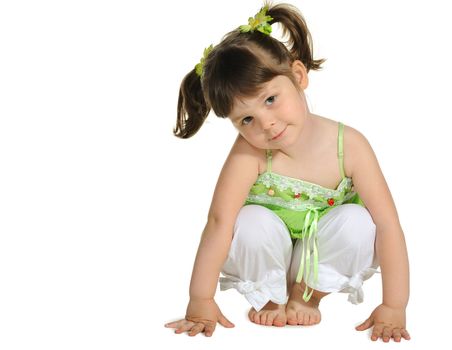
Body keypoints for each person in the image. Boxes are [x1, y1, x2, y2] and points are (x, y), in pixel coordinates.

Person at [165, 2, 410, 342]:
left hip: (320, 254)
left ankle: (307, 294)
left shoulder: (349, 146)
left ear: (298, 76)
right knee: (249, 220)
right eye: (246, 119)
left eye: (270, 100)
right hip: (267, 256)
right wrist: (200, 299)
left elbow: (387, 224)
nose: (266, 124)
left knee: (358, 220)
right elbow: (220, 223)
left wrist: (395, 305)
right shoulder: (248, 154)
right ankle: (270, 295)